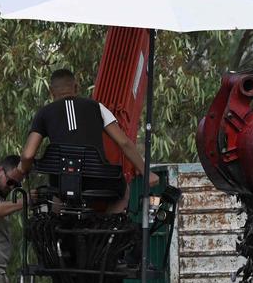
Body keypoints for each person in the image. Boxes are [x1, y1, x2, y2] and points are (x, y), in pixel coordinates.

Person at [10, 68, 159, 212]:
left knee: (56, 196)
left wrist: (21, 170)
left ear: (51, 91)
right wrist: (146, 173)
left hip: (61, 183)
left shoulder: (43, 113)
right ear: (76, 87)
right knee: (124, 191)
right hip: (98, 182)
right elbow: (124, 142)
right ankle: (109, 231)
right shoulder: (96, 107)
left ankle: (58, 231)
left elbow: (28, 155)